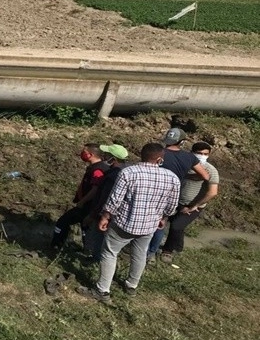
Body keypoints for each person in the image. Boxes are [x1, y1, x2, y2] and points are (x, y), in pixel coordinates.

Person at [78, 143, 179, 303]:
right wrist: (164, 218)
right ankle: (131, 285)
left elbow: (115, 199)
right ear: (160, 158)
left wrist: (105, 216)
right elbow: (172, 205)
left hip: (124, 223)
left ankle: (102, 290)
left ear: (141, 155)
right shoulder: (171, 177)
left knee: (110, 253)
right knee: (140, 254)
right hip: (149, 225)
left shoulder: (128, 172)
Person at [147, 127, 210, 262]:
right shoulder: (189, 157)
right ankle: (151, 253)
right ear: (182, 142)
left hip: (154, 189)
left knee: (149, 219)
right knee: (161, 222)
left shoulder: (159, 153)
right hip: (173, 193)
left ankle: (141, 248)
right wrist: (186, 176)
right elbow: (205, 175)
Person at [159, 142, 219, 263]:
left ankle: (168, 251)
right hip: (175, 201)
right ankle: (178, 248)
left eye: (205, 154)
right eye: (199, 153)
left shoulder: (211, 170)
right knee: (169, 224)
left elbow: (212, 192)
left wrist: (194, 206)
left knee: (176, 226)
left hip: (194, 206)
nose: (202, 156)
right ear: (192, 154)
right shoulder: (184, 165)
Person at [51, 143, 110, 249]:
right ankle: (86, 249)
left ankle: (56, 244)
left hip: (88, 206)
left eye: (84, 152)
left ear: (90, 154)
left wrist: (82, 202)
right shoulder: (95, 167)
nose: (81, 154)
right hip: (88, 205)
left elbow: (95, 189)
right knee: (85, 227)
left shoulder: (97, 170)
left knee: (63, 222)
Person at [83, 144, 130, 259]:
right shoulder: (127, 171)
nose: (103, 156)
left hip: (106, 213)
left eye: (107, 155)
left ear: (113, 159)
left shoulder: (113, 175)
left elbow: (104, 198)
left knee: (99, 237)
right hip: (121, 214)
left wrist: (93, 215)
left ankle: (95, 259)